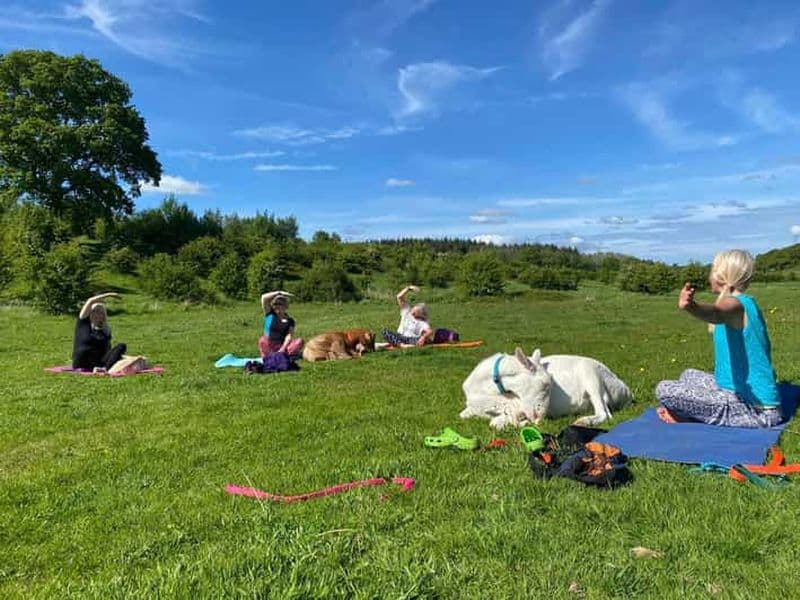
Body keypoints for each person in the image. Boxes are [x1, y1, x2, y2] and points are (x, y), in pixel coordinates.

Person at [655, 249, 782, 428]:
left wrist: (691, 306)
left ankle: (689, 417)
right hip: (733, 390)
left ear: (721, 276)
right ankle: (697, 411)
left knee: (664, 389)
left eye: (712, 270)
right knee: (688, 374)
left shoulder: (735, 304)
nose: (709, 276)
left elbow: (716, 313)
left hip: (756, 410)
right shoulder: (741, 302)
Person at [72, 292, 127, 372]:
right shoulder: (83, 324)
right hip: (82, 361)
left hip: (97, 362)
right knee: (88, 350)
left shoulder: (105, 330)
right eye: (94, 311)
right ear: (89, 314)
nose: (96, 314)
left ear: (103, 315)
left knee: (121, 346)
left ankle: (104, 368)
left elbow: (107, 350)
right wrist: (109, 295)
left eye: (99, 312)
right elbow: (90, 301)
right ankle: (101, 368)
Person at [258, 290, 304, 359]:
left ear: (285, 306)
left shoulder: (290, 320)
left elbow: (289, 336)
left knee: (299, 341)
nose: (277, 306)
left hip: (282, 345)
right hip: (269, 345)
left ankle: (282, 354)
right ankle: (273, 356)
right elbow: (264, 297)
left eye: (279, 304)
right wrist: (279, 292)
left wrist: (283, 348)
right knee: (262, 340)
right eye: (275, 304)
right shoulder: (270, 314)